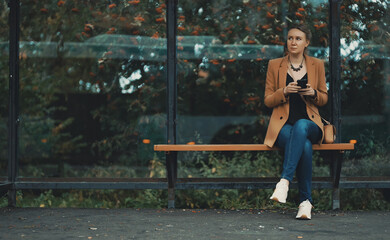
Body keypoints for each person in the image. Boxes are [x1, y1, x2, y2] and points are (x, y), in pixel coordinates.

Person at [264, 24, 328, 220]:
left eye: (298, 39)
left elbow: (324, 98)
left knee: (301, 126)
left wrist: (313, 93)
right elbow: (267, 100)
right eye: (291, 38)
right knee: (305, 147)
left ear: (306, 43)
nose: (293, 42)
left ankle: (284, 181)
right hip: (283, 127)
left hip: (310, 124)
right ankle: (305, 203)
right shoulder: (275, 65)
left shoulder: (317, 65)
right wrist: (283, 92)